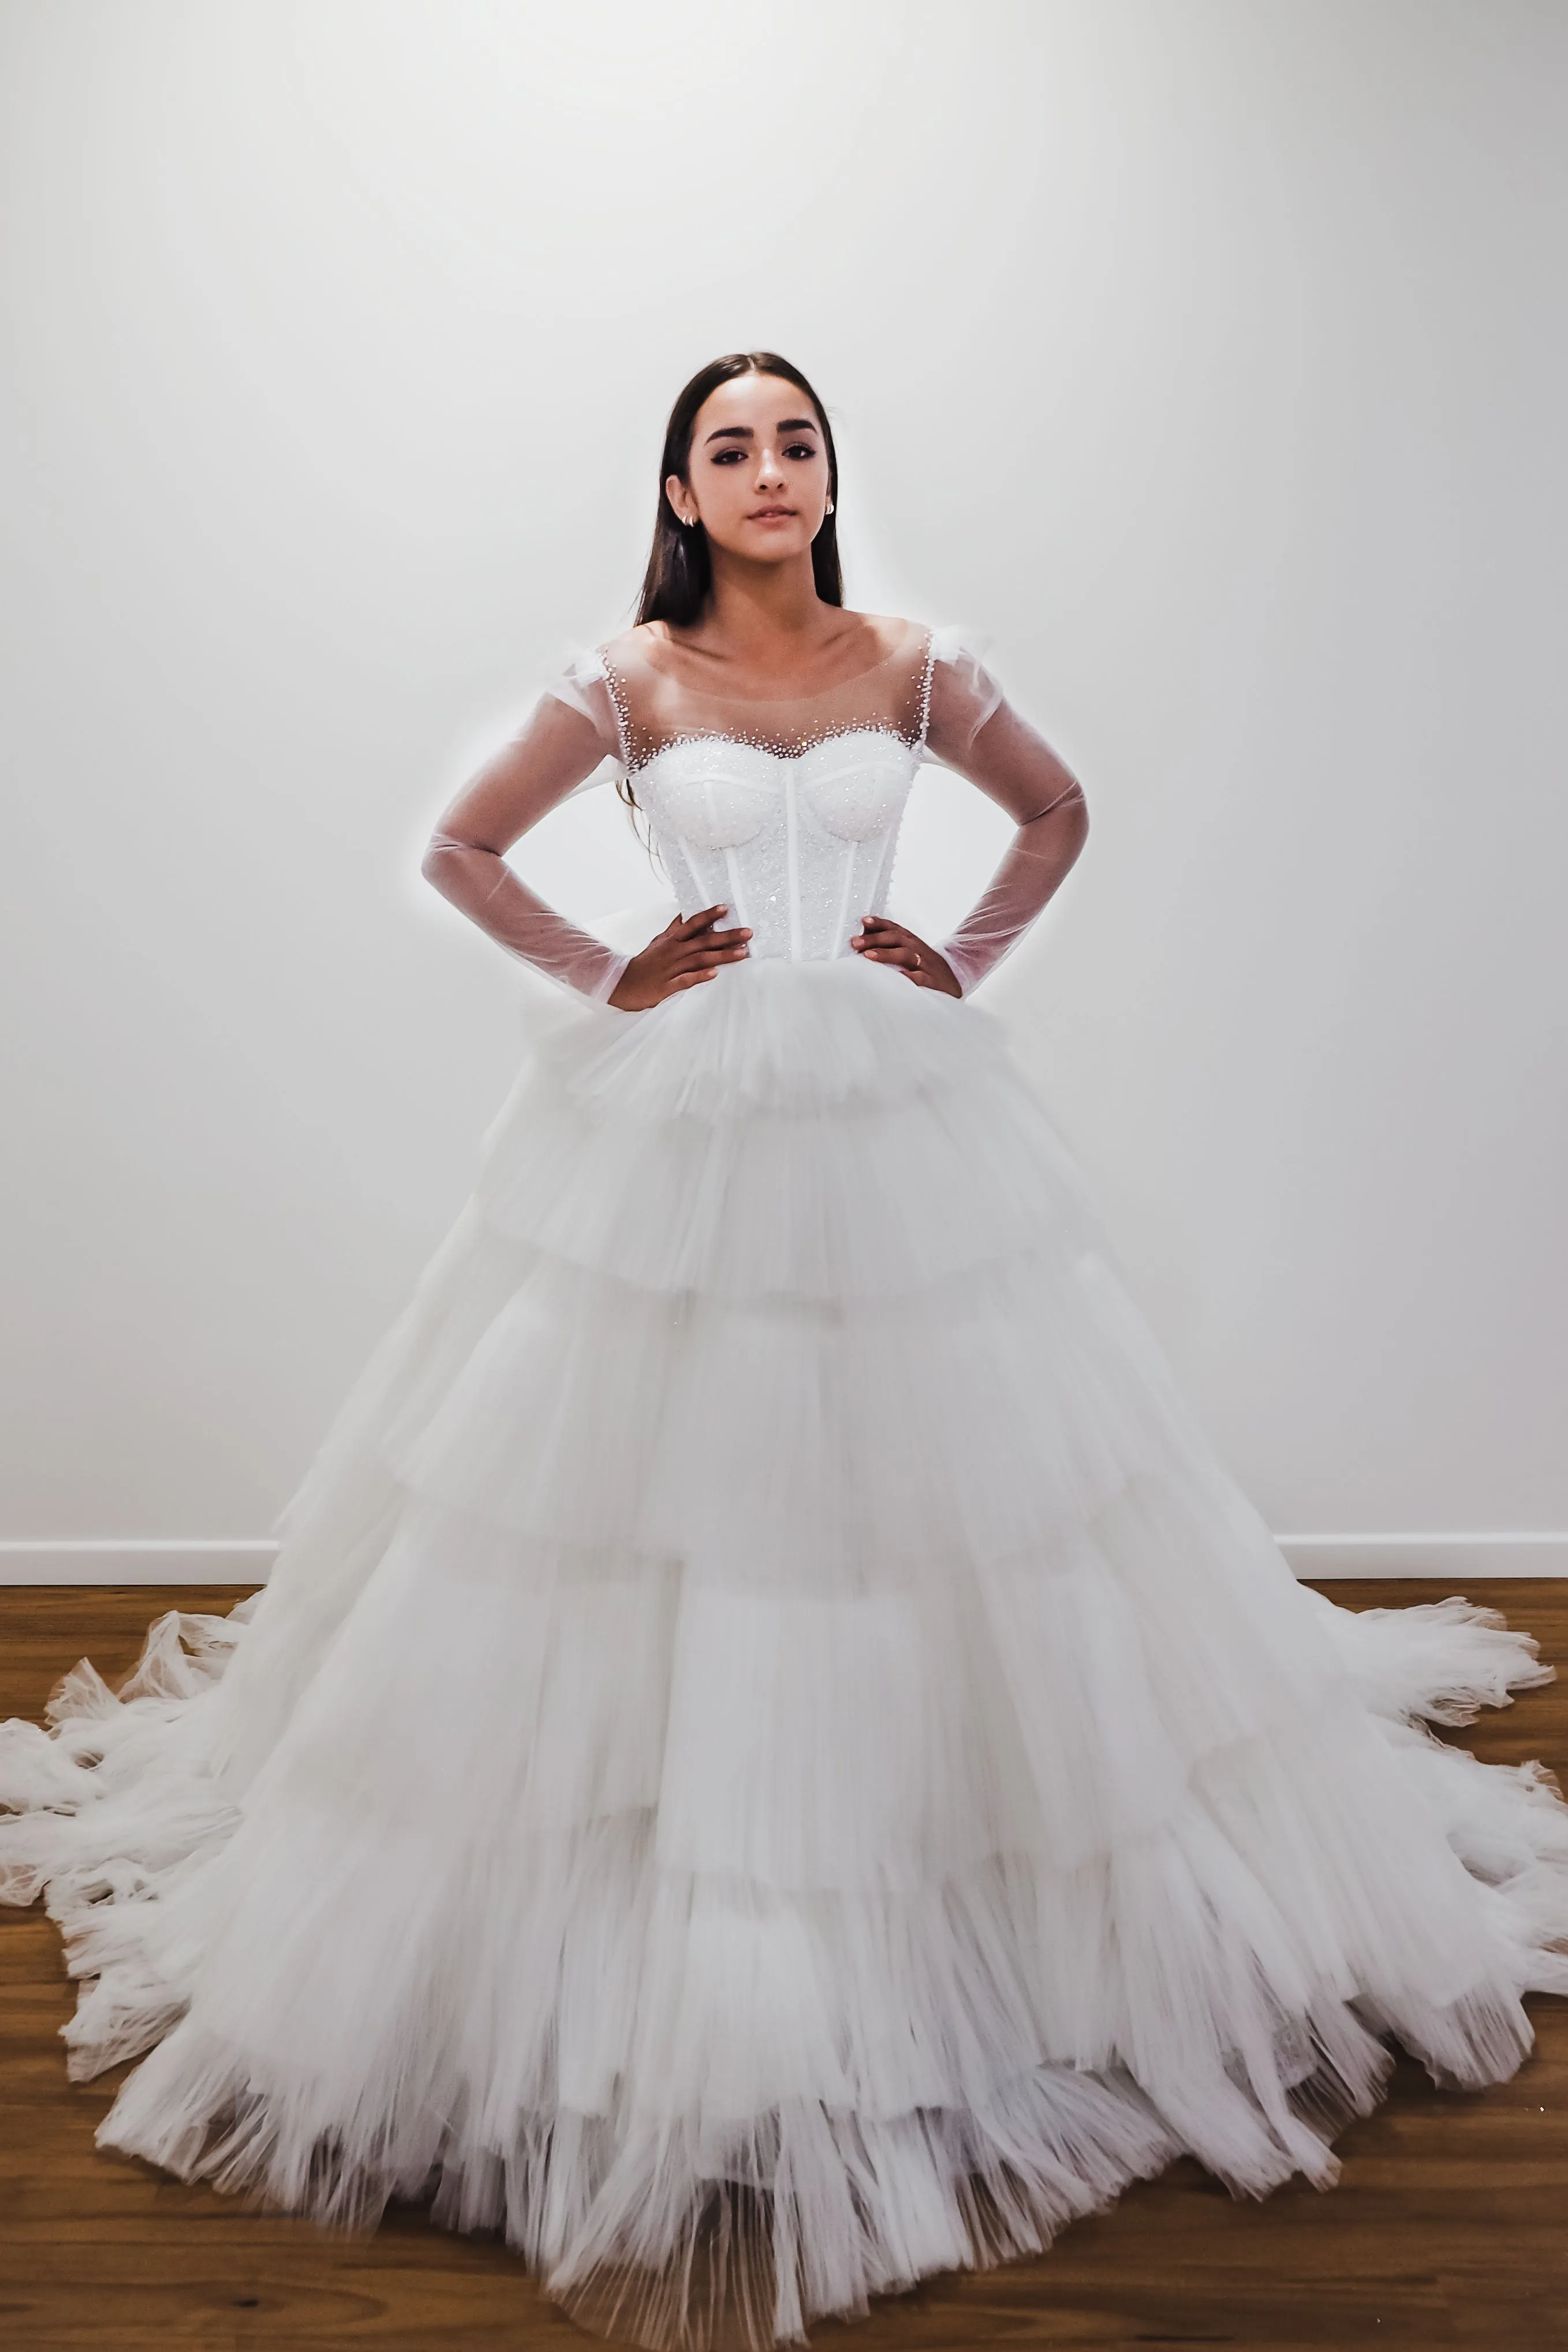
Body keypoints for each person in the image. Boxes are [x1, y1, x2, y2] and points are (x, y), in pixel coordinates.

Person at [3, 350, 1566, 2352]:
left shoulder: (915, 663)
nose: (768, 468)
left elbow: (1058, 808)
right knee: (666, 1510)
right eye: (729, 445)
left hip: (903, 1123)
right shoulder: (626, 684)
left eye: (796, 440)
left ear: (833, 474)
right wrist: (610, 973)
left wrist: (964, 955)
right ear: (677, 486)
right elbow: (462, 853)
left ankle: (941, 1871)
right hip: (687, 1128)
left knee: (961, 1507)